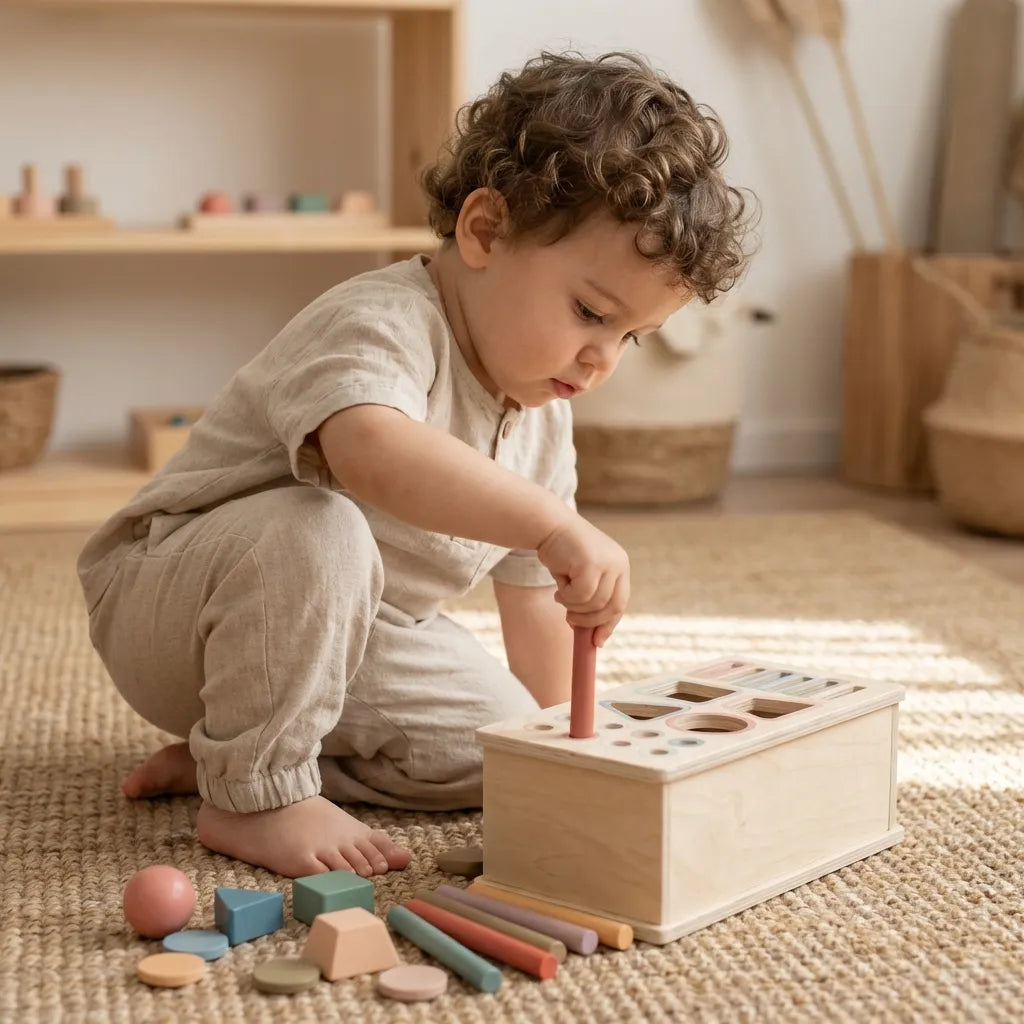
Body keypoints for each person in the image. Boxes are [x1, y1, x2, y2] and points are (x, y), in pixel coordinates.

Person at [76, 50, 754, 880]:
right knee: (318, 528)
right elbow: (371, 452)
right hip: (169, 602)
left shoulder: (543, 416)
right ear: (485, 231)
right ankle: (252, 795)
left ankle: (238, 752)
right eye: (590, 312)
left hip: (346, 642)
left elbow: (534, 598)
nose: (601, 358)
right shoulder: (384, 320)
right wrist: (551, 523)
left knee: (502, 746)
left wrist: (565, 752)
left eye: (630, 337)